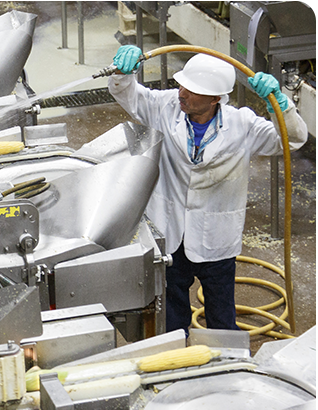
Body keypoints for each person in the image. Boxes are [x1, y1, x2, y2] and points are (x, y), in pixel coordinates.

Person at [108, 45, 309, 335]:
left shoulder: (243, 125)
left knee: (221, 315)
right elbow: (129, 95)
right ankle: (175, 358)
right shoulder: (166, 107)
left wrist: (280, 104)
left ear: (216, 99)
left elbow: (293, 140)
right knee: (171, 313)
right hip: (171, 232)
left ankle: (226, 366)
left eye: (192, 91)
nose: (182, 94)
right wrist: (123, 73)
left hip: (216, 237)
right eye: (182, 86)